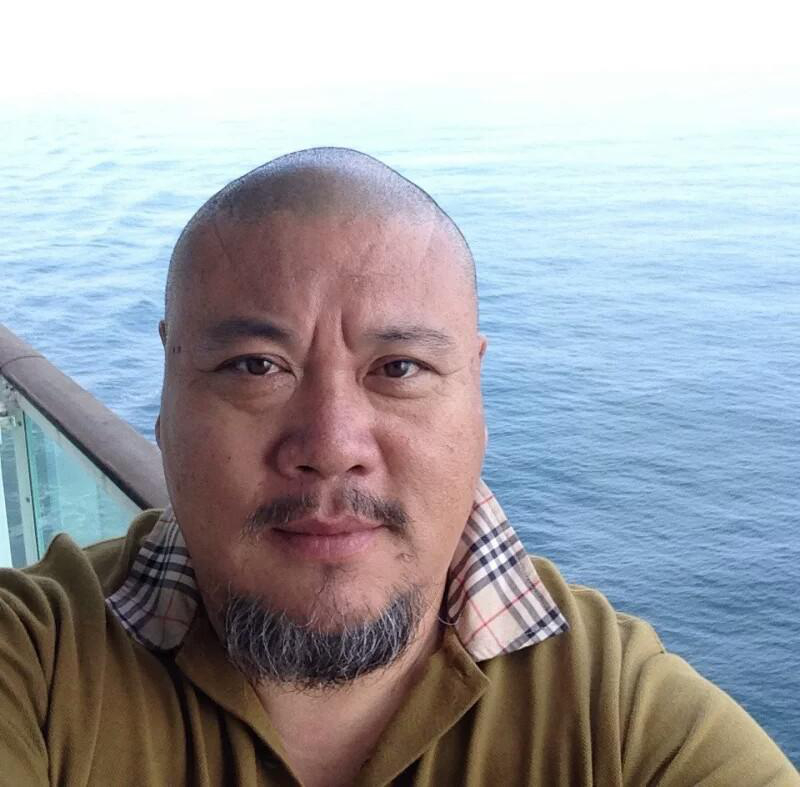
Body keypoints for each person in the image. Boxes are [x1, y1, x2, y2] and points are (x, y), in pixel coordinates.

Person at [0, 147, 797, 787]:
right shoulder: (35, 662)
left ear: (476, 396)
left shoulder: (621, 725)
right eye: (255, 366)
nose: (331, 442)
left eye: (400, 367)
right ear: (168, 393)